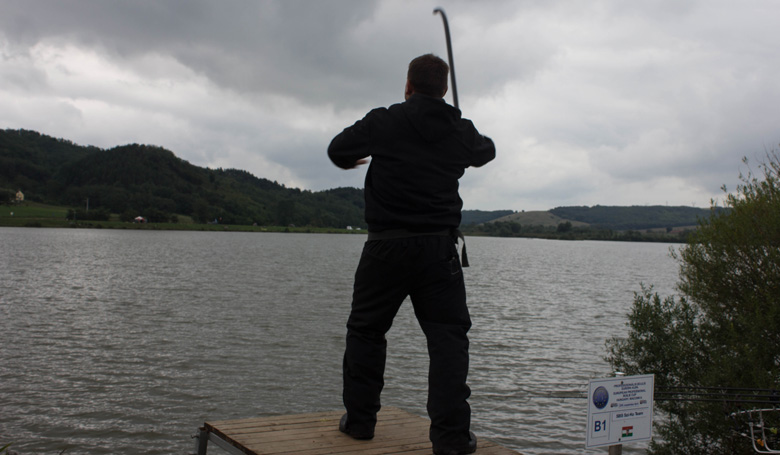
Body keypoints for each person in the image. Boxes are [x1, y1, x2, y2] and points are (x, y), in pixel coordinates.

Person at [327, 53, 495, 455]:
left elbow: (338, 149)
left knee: (366, 332)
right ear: (444, 89)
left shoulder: (385, 120)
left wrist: (351, 161)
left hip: (385, 246)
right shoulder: (458, 127)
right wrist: (456, 124)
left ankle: (360, 423)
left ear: (407, 85)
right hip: (439, 250)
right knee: (448, 341)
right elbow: (485, 151)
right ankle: (452, 438)